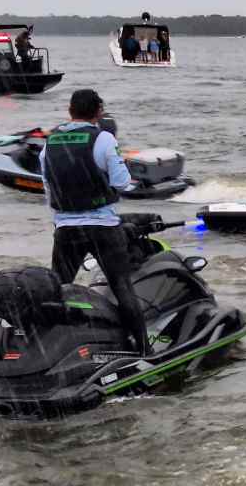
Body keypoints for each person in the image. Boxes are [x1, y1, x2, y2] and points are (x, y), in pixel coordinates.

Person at [38, 89, 148, 355]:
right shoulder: (103, 138)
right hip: (103, 228)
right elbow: (121, 182)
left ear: (69, 110)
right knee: (122, 287)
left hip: (65, 230)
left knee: (58, 291)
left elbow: (47, 186)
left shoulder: (49, 143)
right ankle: (144, 350)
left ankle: (47, 351)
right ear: (99, 111)